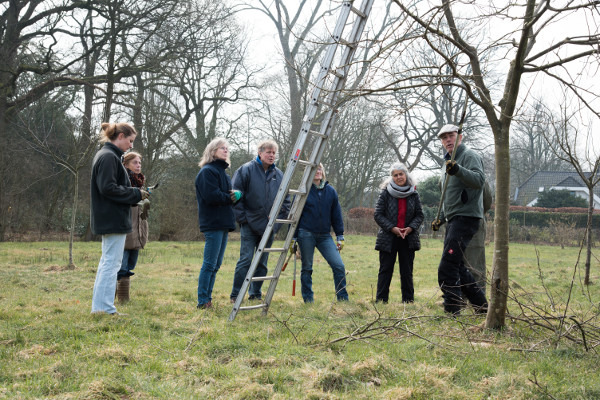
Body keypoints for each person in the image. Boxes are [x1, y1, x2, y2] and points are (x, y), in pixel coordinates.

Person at [90, 122, 148, 314]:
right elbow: (108, 188)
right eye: (130, 141)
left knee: (108, 262)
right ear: (121, 136)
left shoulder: (108, 156)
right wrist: (136, 194)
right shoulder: (108, 157)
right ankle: (104, 308)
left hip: (110, 217)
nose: (131, 146)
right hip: (112, 218)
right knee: (111, 263)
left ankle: (101, 307)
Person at [431, 124, 488, 315]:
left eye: (451, 136)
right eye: (444, 137)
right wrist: (440, 218)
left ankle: (452, 309)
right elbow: (447, 195)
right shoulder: (446, 163)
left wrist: (458, 170)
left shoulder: (469, 156)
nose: (448, 140)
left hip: (467, 217)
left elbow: (479, 181)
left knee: (447, 266)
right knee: (459, 266)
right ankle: (482, 307)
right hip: (454, 218)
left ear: (460, 137)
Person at [230, 140, 291, 302]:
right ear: (260, 153)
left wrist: (277, 223)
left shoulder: (279, 174)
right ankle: (236, 294)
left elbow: (286, 201)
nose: (271, 155)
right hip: (249, 225)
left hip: (269, 227)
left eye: (274, 153)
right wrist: (243, 219)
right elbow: (235, 196)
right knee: (246, 259)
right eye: (268, 152)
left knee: (262, 262)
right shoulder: (245, 170)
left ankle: (255, 294)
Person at [195, 138, 241, 309]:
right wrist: (230, 197)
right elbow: (211, 196)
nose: (225, 150)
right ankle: (202, 301)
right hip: (212, 223)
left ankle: (208, 299)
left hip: (223, 223)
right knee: (209, 264)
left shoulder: (224, 173)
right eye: (222, 148)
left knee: (216, 265)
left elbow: (225, 196)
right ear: (212, 151)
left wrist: (234, 195)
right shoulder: (207, 172)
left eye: (227, 148)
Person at [294, 164, 348, 303]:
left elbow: (336, 215)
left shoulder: (330, 191)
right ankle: (308, 300)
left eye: (319, 169)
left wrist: (340, 236)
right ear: (308, 172)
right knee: (307, 268)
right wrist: (293, 238)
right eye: (314, 169)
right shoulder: (303, 191)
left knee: (339, 266)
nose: (317, 171)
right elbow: (294, 216)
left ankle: (343, 299)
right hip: (306, 234)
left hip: (325, 236)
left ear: (323, 172)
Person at [374, 163, 424, 303]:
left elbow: (419, 215)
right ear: (392, 177)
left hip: (408, 238)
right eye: (395, 175)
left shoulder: (414, 193)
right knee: (385, 270)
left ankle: (408, 302)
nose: (398, 177)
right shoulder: (385, 193)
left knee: (407, 272)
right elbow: (378, 215)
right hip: (388, 237)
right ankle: (381, 301)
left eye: (401, 174)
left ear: (406, 174)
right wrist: (392, 228)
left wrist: (410, 228)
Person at [116, 151, 149, 303]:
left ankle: (123, 295)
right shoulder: (123, 180)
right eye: (135, 162)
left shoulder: (140, 181)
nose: (138, 165)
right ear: (126, 164)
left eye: (140, 163)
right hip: (126, 222)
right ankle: (120, 297)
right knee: (122, 263)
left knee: (131, 262)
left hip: (138, 223)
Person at [463, 181, 492, 291]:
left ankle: (478, 299)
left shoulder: (479, 178)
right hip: (458, 222)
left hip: (475, 222)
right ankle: (459, 298)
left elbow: (487, 201)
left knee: (475, 263)